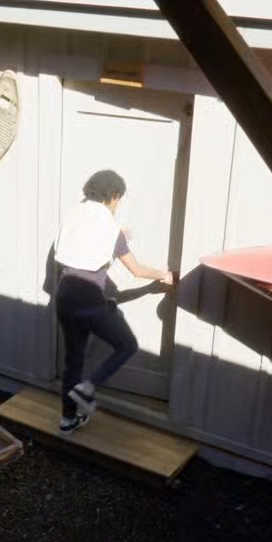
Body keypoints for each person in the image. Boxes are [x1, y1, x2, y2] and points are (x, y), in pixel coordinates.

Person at [53, 170, 174, 433]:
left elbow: (84, 242)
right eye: (119, 199)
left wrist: (120, 236)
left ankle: (67, 419)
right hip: (89, 298)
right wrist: (162, 275)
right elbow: (137, 270)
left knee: (74, 360)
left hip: (64, 295)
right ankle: (87, 388)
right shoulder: (111, 229)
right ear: (113, 195)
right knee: (126, 344)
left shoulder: (75, 214)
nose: (118, 204)